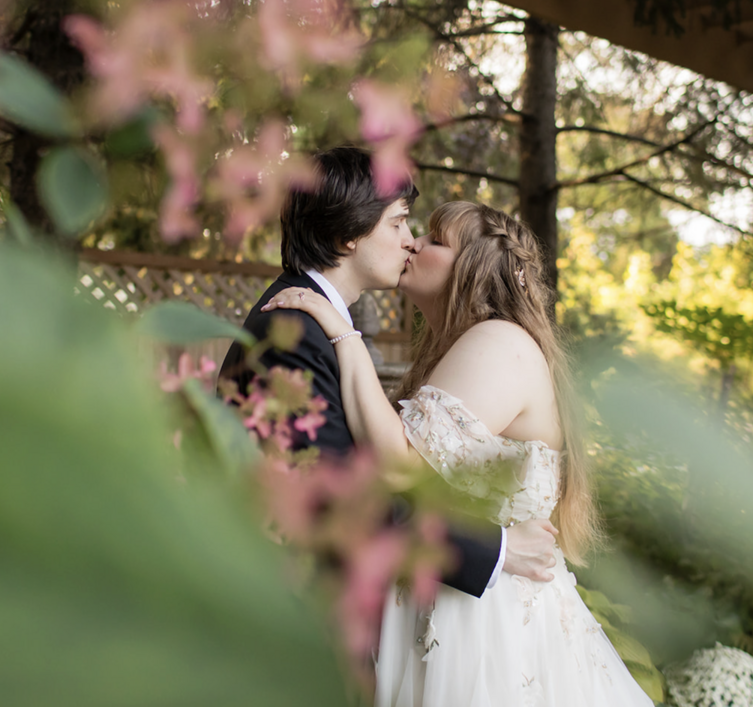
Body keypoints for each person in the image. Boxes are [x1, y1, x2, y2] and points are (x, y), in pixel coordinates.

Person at [262, 201, 655, 707]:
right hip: (449, 606)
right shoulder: (462, 348)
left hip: (487, 632)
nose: (413, 244)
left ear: (471, 268)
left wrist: (342, 332)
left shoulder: (498, 342)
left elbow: (401, 462)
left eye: (434, 239)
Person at [219, 146, 559, 599]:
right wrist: (493, 550)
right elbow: (332, 491)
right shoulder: (296, 329)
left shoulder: (315, 325)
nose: (410, 240)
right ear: (349, 234)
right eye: (398, 222)